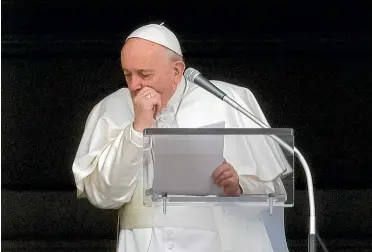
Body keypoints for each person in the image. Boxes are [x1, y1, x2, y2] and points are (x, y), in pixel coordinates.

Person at [72, 23, 291, 252]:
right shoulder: (112, 108)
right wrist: (137, 129)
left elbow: (274, 191)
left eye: (144, 74)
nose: (135, 85)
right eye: (128, 75)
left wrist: (239, 187)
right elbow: (103, 195)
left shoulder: (227, 100)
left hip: (221, 242)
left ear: (176, 71)